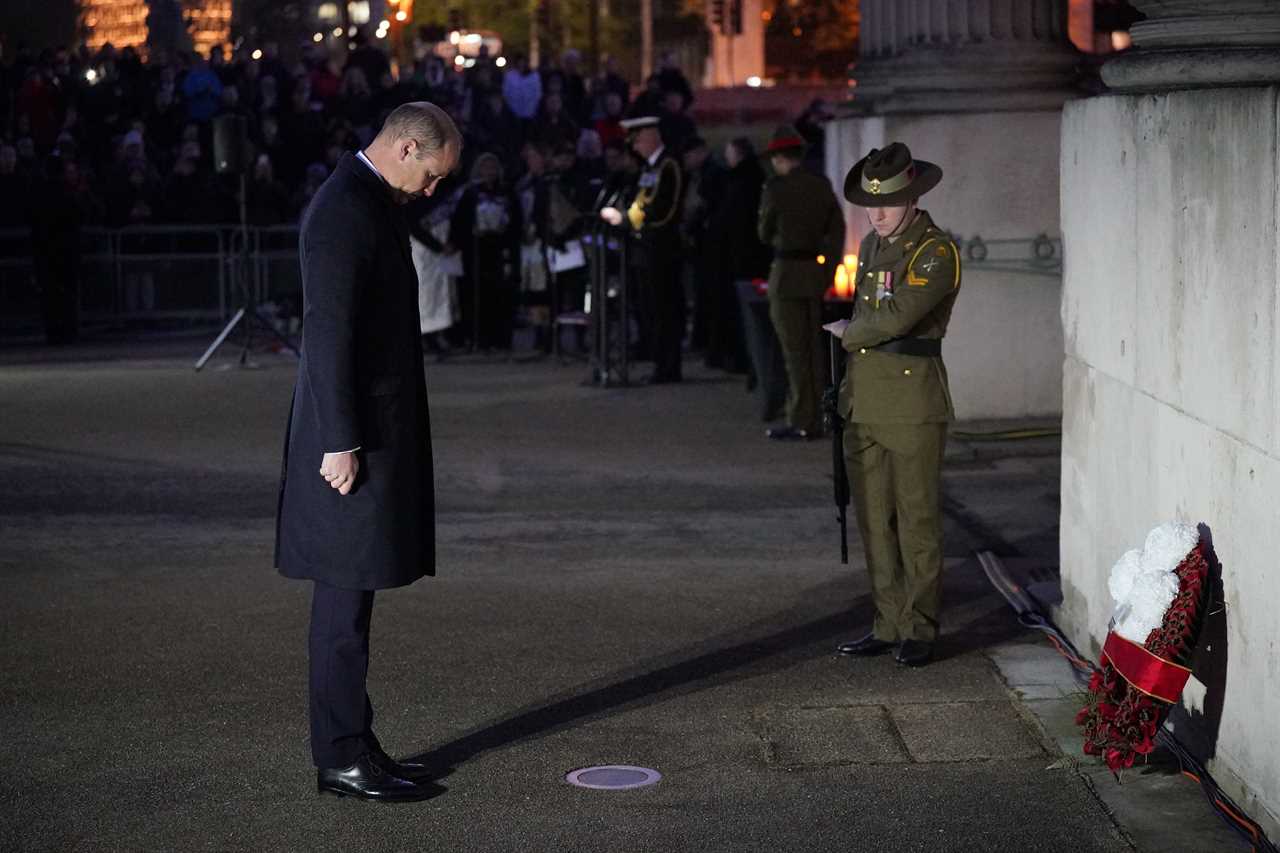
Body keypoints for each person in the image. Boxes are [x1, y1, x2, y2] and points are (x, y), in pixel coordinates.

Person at [274, 101, 462, 802]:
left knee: (353, 599)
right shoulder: (344, 207)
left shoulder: (366, 200)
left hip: (363, 428)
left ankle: (355, 742)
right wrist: (340, 440)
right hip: (345, 439)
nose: (433, 191)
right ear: (408, 147)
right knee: (342, 602)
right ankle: (342, 755)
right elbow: (327, 331)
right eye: (434, 175)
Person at [824, 142, 961, 668]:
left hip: (911, 402)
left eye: (888, 203)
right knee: (875, 522)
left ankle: (919, 628)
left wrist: (848, 333)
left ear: (913, 197)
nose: (876, 215)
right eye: (869, 206)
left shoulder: (934, 251)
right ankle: (887, 622)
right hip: (865, 402)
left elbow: (898, 317)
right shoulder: (878, 248)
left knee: (917, 520)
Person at [758, 125, 844, 440]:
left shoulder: (775, 188)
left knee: (794, 351)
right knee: (815, 350)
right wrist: (828, 270)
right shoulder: (820, 187)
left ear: (780, 158)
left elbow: (764, 232)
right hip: (813, 274)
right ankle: (823, 414)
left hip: (786, 274)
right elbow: (836, 231)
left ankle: (801, 418)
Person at [601, 114, 685, 383]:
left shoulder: (668, 165)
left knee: (664, 309)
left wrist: (625, 220)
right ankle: (660, 363)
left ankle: (668, 367)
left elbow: (663, 209)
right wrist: (627, 217)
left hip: (661, 248)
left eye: (637, 139)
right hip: (646, 248)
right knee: (651, 308)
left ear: (650, 137)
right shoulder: (651, 167)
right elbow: (641, 202)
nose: (634, 145)